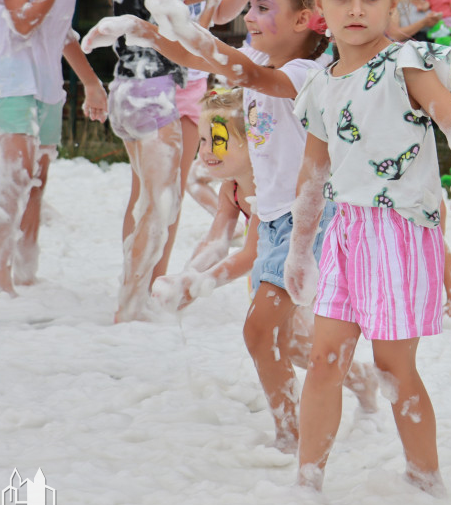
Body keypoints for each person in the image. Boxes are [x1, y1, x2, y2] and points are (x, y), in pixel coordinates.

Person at [83, 0, 333, 450]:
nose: (250, 17)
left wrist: (175, 23)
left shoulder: (308, 74)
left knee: (267, 334)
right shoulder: (260, 58)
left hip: (316, 223)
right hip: (275, 213)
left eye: (263, 7)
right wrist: (148, 32)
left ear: (304, 20)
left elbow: (232, 67)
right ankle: (313, 416)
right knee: (284, 340)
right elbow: (206, 59)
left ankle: (295, 435)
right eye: (251, 6)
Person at [284, 0, 451, 494]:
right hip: (344, 233)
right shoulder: (319, 87)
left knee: (391, 366)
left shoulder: (408, 63)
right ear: (319, 5)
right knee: (327, 357)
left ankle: (425, 480)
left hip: (400, 232)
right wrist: (301, 250)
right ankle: (307, 484)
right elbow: (312, 176)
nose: (356, 9)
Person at [150, 88, 378, 412]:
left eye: (216, 140)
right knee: (288, 345)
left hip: (302, 262)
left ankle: (302, 420)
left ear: (255, 140)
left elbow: (250, 253)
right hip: (270, 267)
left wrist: (202, 282)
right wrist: (187, 276)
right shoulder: (230, 188)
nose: (205, 151)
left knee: (279, 340)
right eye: (202, 140)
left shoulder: (266, 186)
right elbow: (216, 240)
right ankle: (354, 383)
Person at [0, 0, 108, 298]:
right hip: (12, 82)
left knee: (37, 184)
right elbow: (22, 22)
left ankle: (26, 271)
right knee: (15, 178)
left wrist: (92, 83)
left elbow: (62, 34)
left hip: (48, 87)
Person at [149, 0, 266, 273]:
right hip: (155, 87)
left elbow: (215, 18)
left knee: (174, 188)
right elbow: (155, 23)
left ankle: (157, 272)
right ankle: (142, 271)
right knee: (153, 190)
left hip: (190, 85)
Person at [103, 0, 197, 322]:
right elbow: (175, 36)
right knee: (159, 205)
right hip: (152, 90)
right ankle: (130, 304)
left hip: (125, 89)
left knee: (144, 199)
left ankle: (130, 293)